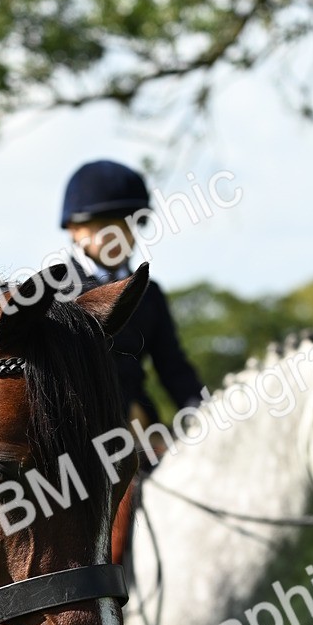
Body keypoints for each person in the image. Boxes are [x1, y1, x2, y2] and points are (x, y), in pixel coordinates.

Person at [60, 159, 204, 430]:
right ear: (74, 229)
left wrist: (203, 413)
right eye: (104, 226)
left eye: (127, 225)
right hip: (74, 433)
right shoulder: (54, 293)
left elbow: (173, 368)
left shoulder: (150, 294)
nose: (118, 236)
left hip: (144, 430)